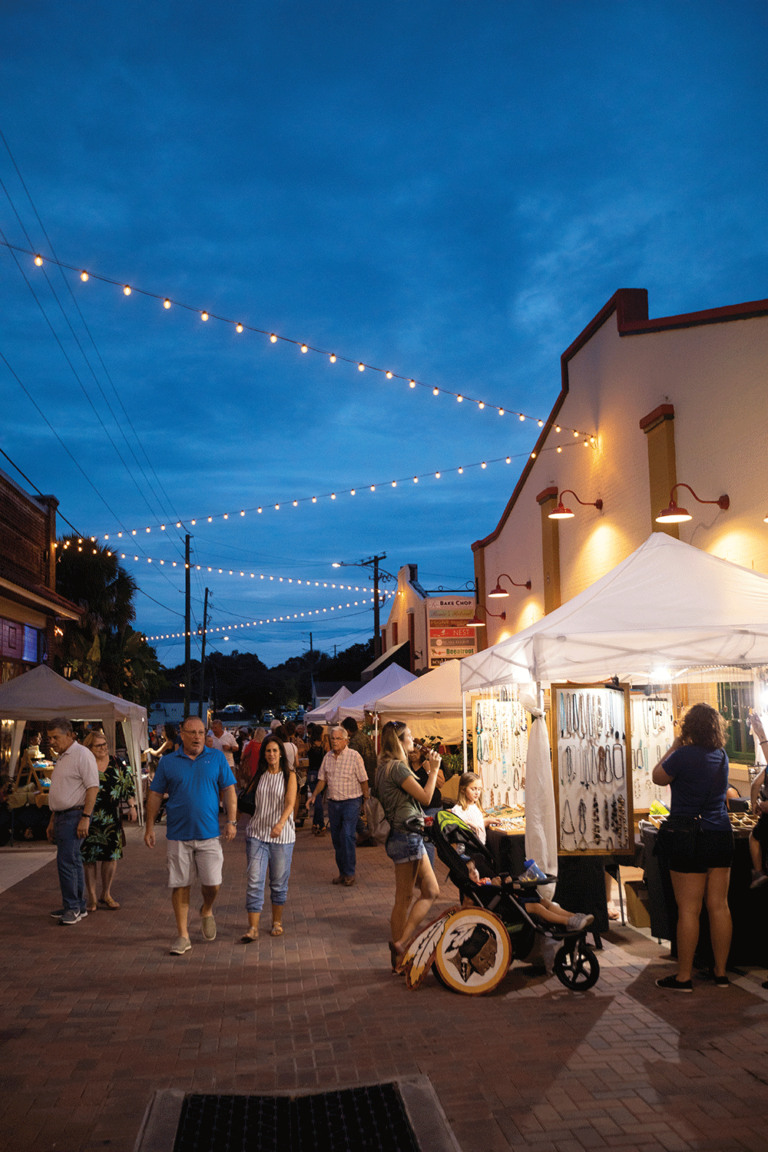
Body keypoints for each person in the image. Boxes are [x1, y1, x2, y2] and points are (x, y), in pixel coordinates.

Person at [651, 703, 733, 991]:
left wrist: (674, 743)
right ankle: (720, 973)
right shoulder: (721, 756)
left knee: (688, 909)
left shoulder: (683, 755)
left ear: (688, 728)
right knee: (719, 906)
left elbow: (657, 776)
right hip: (720, 834)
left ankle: (684, 976)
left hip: (688, 836)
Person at [144, 715, 237, 955]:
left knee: (213, 883)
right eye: (191, 732)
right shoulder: (168, 762)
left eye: (200, 732)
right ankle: (183, 935)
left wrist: (232, 821)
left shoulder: (216, 757)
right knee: (180, 884)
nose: (197, 737)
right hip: (178, 833)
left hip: (209, 833)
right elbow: (155, 795)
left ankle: (206, 909)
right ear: (182, 735)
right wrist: (149, 827)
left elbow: (229, 790)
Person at [375, 720, 441, 970]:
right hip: (407, 834)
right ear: (399, 742)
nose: (413, 741)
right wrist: (433, 770)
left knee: (430, 891)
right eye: (410, 737)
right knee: (404, 897)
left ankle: (402, 945)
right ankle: (400, 952)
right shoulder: (397, 769)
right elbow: (425, 797)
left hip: (403, 833)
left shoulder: (383, 767)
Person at [240, 735, 297, 942]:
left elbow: (290, 803)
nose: (271, 754)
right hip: (257, 834)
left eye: (274, 750)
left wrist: (280, 823)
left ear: (281, 752)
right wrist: (233, 822)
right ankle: (252, 928)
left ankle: (276, 922)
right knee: (255, 881)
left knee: (278, 883)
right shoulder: (260, 775)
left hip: (282, 837)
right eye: (268, 751)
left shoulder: (289, 775)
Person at [46, 718, 100, 926]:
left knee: (66, 862)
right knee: (73, 861)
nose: (51, 741)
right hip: (62, 815)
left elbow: (92, 787)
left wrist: (85, 817)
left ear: (69, 735)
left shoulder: (81, 754)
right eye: (49, 737)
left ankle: (73, 907)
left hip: (74, 815)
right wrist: (53, 820)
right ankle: (77, 904)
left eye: (55, 737)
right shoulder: (63, 757)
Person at [80, 731, 137, 910]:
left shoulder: (117, 763)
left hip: (112, 816)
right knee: (89, 857)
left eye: (105, 744)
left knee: (110, 856)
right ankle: (92, 896)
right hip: (89, 817)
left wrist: (132, 806)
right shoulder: (84, 764)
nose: (104, 748)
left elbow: (127, 785)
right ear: (89, 747)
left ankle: (106, 893)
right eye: (99, 745)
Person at [309, 725, 369, 886]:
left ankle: (350, 873)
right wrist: (314, 795)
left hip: (351, 801)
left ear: (345, 740)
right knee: (336, 839)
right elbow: (322, 779)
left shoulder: (354, 756)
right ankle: (343, 873)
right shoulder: (327, 757)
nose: (334, 742)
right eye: (332, 738)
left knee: (348, 835)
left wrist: (365, 798)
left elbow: (364, 779)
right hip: (333, 803)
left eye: (337, 739)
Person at [450, 772, 499, 844]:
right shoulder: (458, 810)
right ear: (463, 789)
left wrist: (487, 822)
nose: (477, 792)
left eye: (479, 789)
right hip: (467, 850)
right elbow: (454, 829)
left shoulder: (475, 807)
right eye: (473, 789)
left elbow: (477, 826)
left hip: (480, 847)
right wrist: (467, 822)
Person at [306, 724, 327, 835]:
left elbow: (300, 752)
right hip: (321, 774)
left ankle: (314, 824)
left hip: (312, 773)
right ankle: (322, 825)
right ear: (321, 734)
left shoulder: (308, 745)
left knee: (317, 800)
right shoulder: (325, 745)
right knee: (318, 800)